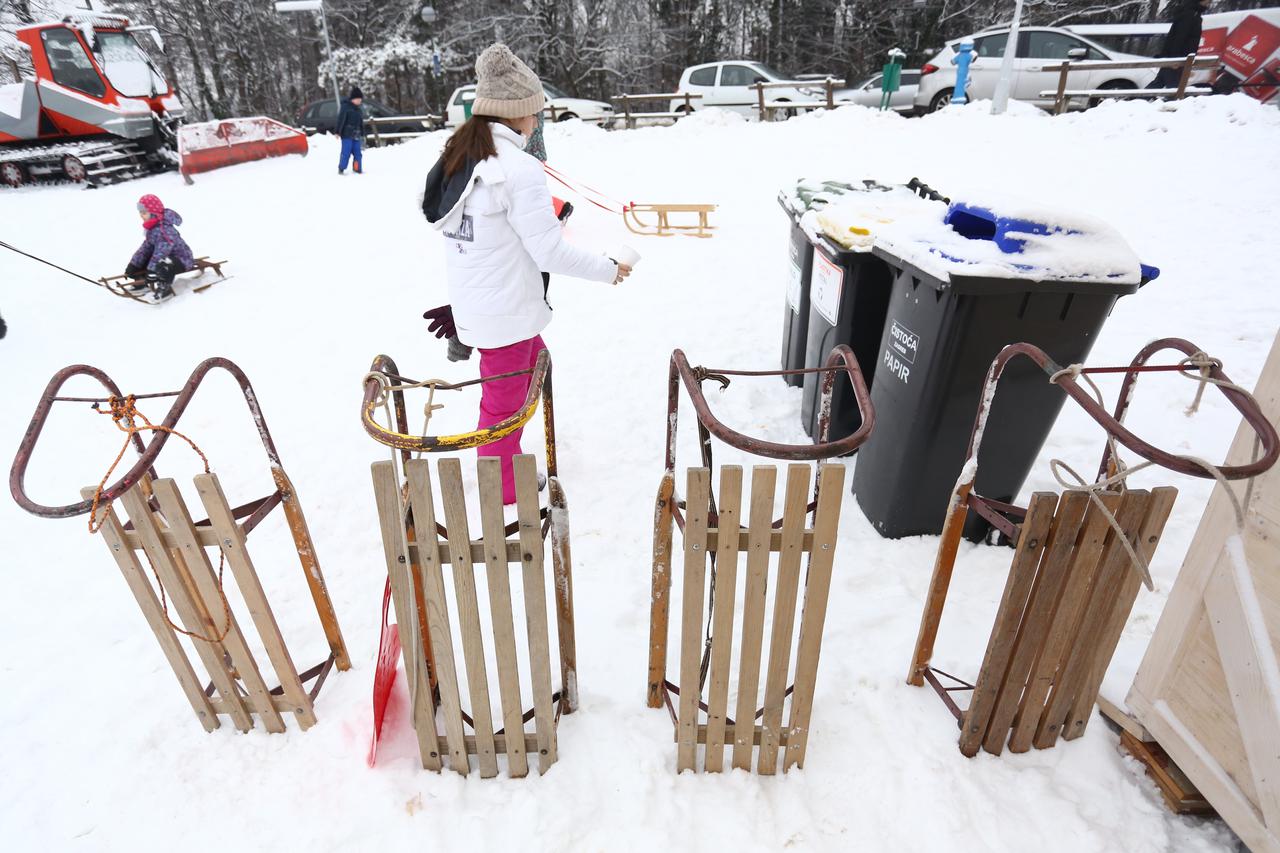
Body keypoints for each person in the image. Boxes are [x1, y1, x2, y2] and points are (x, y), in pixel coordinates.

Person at [420, 43, 632, 504]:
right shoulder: (519, 168)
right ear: (517, 114)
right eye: (536, 112)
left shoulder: (462, 156)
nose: (538, 121)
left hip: (489, 306)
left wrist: (466, 306)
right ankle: (502, 488)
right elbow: (550, 251)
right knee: (503, 405)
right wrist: (608, 270)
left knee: (533, 367)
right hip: (505, 313)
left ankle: (504, 463)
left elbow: (472, 242)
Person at [125, 194, 194, 299]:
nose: (141, 215)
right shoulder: (152, 229)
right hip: (166, 257)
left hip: (182, 259)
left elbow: (162, 251)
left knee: (164, 264)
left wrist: (152, 269)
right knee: (145, 259)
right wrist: (134, 264)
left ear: (154, 214)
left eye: (144, 213)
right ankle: (141, 282)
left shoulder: (164, 229)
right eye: (140, 212)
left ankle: (164, 287)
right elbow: (145, 249)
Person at [1151, 0, 1210, 89]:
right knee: (1174, 89)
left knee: (1159, 82)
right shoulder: (1190, 15)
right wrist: (1175, 59)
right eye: (1207, 2)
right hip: (1178, 58)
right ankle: (1138, 100)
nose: (1208, 5)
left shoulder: (1192, 14)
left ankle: (1136, 100)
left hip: (1176, 57)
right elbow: (1179, 37)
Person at [335, 86, 365, 174]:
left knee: (358, 153)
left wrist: (362, 133)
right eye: (358, 99)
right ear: (353, 99)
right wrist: (337, 131)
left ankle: (357, 168)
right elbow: (341, 120)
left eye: (360, 99)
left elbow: (361, 122)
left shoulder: (359, 110)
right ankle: (341, 168)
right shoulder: (345, 107)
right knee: (346, 152)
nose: (360, 101)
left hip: (357, 134)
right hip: (346, 134)